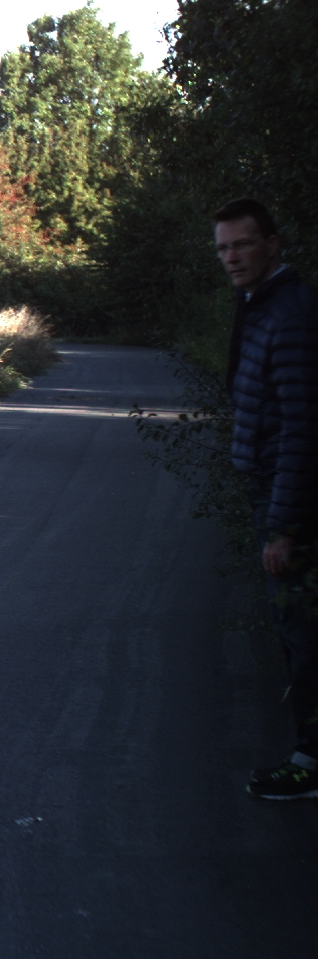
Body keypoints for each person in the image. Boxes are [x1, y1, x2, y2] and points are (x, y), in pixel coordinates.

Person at [220, 198, 318, 798]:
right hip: (275, 496)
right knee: (295, 631)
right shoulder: (261, 306)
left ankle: (310, 763)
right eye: (223, 248)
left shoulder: (290, 316)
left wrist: (283, 525)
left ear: (273, 244)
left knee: (305, 636)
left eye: (243, 244)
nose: (232, 257)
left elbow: (302, 428)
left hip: (294, 506)